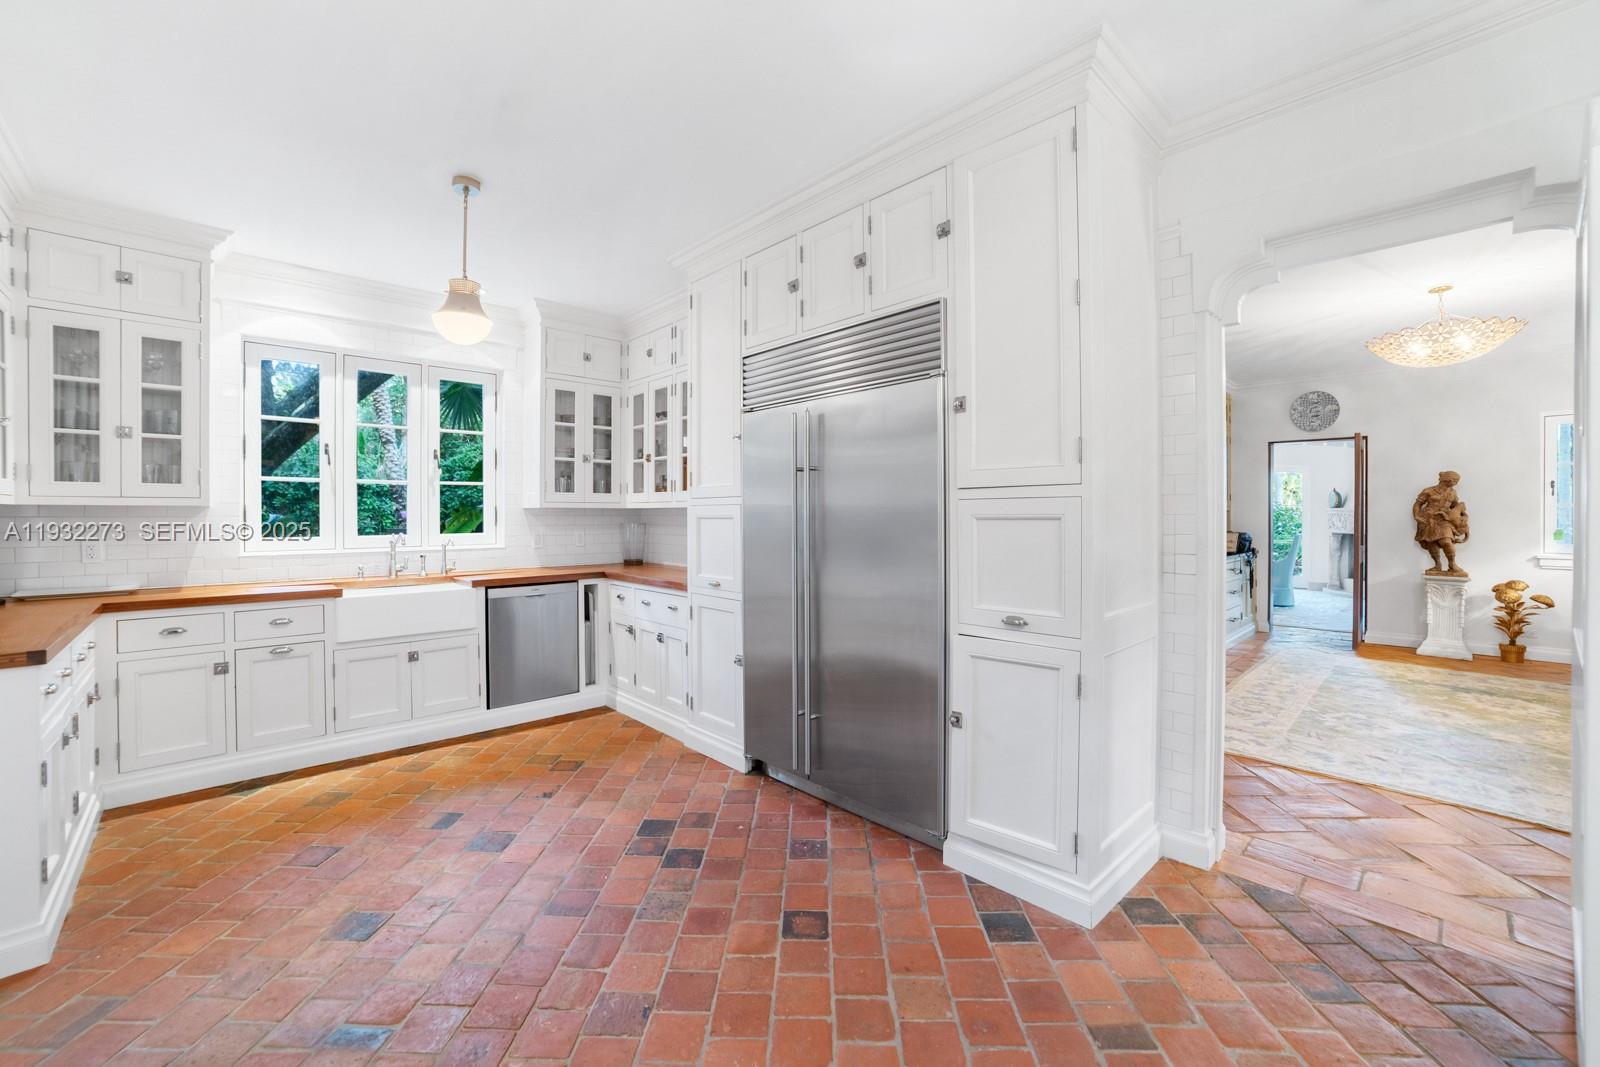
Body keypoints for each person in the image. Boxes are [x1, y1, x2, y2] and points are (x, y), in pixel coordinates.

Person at [1412, 471, 1469, 577]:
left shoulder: (1452, 493)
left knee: (1446, 541)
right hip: (1428, 520)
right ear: (1447, 479)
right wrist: (1417, 516)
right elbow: (1418, 504)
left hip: (1444, 519)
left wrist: (1464, 516)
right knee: (1431, 543)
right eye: (1455, 480)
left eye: (1457, 481)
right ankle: (1437, 565)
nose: (1455, 483)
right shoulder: (1429, 491)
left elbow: (1456, 506)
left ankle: (1452, 564)